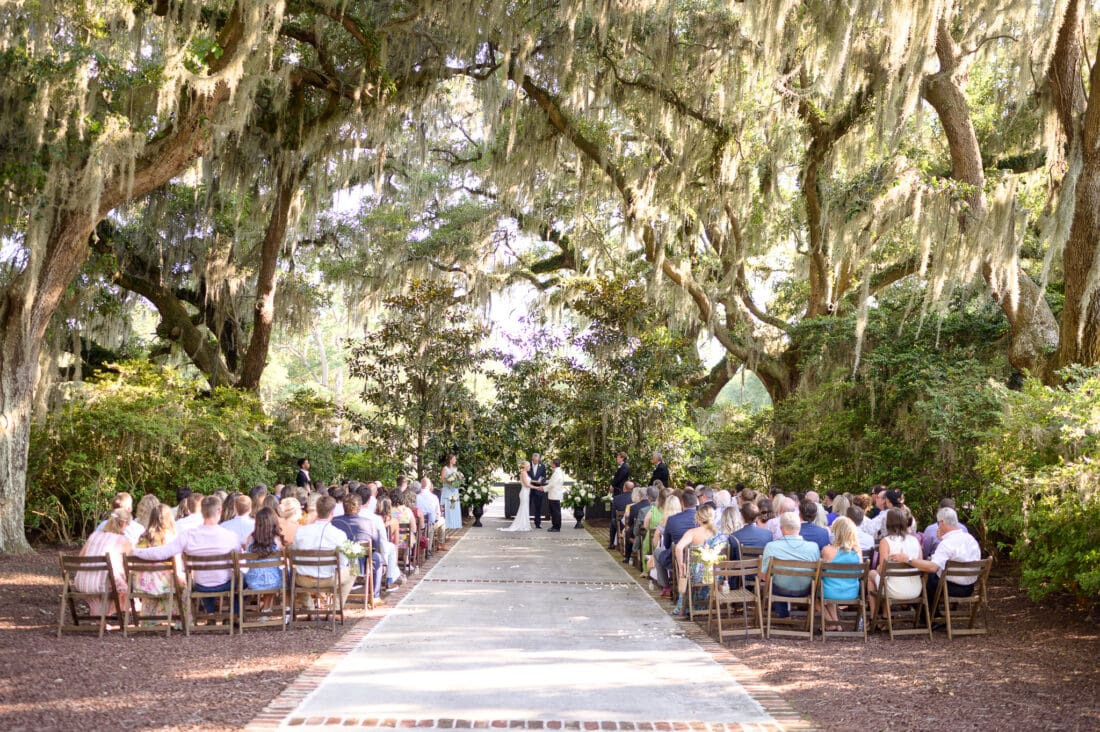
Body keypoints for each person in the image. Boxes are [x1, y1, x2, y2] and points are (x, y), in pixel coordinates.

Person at [133, 496, 240, 614]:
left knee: (205, 577)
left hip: (200, 585)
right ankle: (234, 615)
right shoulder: (231, 536)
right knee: (241, 580)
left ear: (202, 512)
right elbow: (240, 563)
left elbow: (162, 552)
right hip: (224, 584)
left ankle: (210, 613)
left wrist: (135, 551)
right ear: (219, 511)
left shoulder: (188, 535)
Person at [291, 496, 354, 610]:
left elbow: (293, 554)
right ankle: (337, 607)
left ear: (317, 510)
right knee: (354, 570)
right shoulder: (339, 534)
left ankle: (308, 605)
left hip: (304, 579)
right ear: (332, 512)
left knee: (292, 574)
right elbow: (344, 561)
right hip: (329, 579)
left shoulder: (300, 531)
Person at [909, 507, 982, 601]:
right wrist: (943, 540)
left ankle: (928, 614)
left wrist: (909, 559)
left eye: (938, 523)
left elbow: (933, 567)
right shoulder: (971, 539)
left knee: (928, 578)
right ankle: (934, 612)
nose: (938, 526)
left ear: (942, 522)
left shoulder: (947, 543)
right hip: (969, 588)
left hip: (949, 588)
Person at [760, 512, 821, 617]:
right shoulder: (813, 547)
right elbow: (816, 575)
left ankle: (783, 615)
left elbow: (763, 576)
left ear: (782, 528)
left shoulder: (771, 546)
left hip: (780, 590)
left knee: (773, 581)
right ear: (799, 527)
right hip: (805, 590)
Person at [76, 509, 133, 618]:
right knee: (127, 582)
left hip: (83, 583)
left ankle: (105, 612)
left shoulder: (94, 535)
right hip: (102, 585)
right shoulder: (123, 540)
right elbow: (129, 566)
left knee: (116, 579)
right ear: (124, 523)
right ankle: (114, 611)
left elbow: (81, 558)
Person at [672, 504, 728, 616]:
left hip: (696, 575)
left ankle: (690, 607)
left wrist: (681, 565)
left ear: (698, 517)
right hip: (716, 574)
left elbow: (678, 547)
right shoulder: (721, 533)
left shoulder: (692, 532)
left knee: (691, 572)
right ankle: (711, 605)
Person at [868, 508, 923, 619]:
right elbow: (920, 564)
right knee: (885, 578)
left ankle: (874, 616)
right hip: (916, 589)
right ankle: (885, 615)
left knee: (872, 574)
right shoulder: (914, 540)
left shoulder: (886, 541)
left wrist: (879, 567)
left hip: (894, 590)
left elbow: (883, 570)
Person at [331, 495, 386, 602]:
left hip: (340, 561)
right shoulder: (369, 523)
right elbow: (375, 544)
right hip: (361, 561)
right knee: (377, 558)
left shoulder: (334, 521)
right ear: (359, 507)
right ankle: (374, 596)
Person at [818, 516, 863, 629]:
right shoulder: (857, 552)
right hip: (851, 592)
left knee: (814, 594)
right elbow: (861, 572)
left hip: (829, 591)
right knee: (829, 586)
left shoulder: (827, 550)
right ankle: (835, 624)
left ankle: (831, 624)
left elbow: (821, 572)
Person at [241, 507, 286, 614]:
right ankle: (267, 609)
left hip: (253, 581)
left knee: (266, 574)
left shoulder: (250, 539)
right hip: (274, 581)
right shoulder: (278, 540)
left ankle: (265, 609)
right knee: (275, 575)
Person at [656, 492, 699, 593]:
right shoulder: (703, 518)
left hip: (678, 559)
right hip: (699, 558)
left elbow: (666, 544)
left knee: (657, 552)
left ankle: (666, 587)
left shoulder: (672, 519)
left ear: (682, 503)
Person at [500, 461, 533, 532]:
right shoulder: (523, 473)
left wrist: (537, 482)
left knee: (525, 508)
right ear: (525, 466)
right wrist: (536, 487)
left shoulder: (526, 473)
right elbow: (526, 485)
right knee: (523, 508)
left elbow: (530, 481)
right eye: (529, 466)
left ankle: (525, 524)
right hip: (524, 492)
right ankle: (522, 525)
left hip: (526, 493)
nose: (530, 467)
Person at [439, 454, 464, 531]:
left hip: (454, 490)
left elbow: (458, 479)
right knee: (449, 507)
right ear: (450, 460)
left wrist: (459, 478)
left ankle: (455, 523)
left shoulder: (456, 469)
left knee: (454, 506)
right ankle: (449, 524)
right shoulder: (445, 469)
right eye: (454, 459)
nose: (455, 460)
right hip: (448, 490)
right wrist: (449, 480)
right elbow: (441, 479)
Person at [610, 481, 635, 549]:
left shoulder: (616, 498)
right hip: (632, 525)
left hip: (621, 525)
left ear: (624, 488)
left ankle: (611, 543)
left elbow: (613, 514)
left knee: (613, 520)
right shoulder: (635, 499)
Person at [527, 453, 548, 529]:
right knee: (526, 506)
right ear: (532, 459)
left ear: (539, 459)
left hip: (538, 489)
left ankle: (538, 523)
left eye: (537, 460)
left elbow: (544, 477)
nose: (536, 462)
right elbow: (525, 476)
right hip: (528, 489)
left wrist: (541, 481)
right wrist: (535, 481)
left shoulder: (542, 466)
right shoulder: (527, 465)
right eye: (534, 460)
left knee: (538, 507)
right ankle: (526, 522)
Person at [545, 458, 565, 532]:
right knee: (554, 512)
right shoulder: (558, 471)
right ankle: (555, 526)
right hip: (554, 494)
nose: (551, 464)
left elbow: (552, 484)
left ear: (554, 464)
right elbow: (552, 481)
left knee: (555, 512)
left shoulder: (557, 473)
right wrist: (545, 481)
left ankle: (556, 527)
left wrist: (543, 488)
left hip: (554, 495)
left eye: (551, 463)